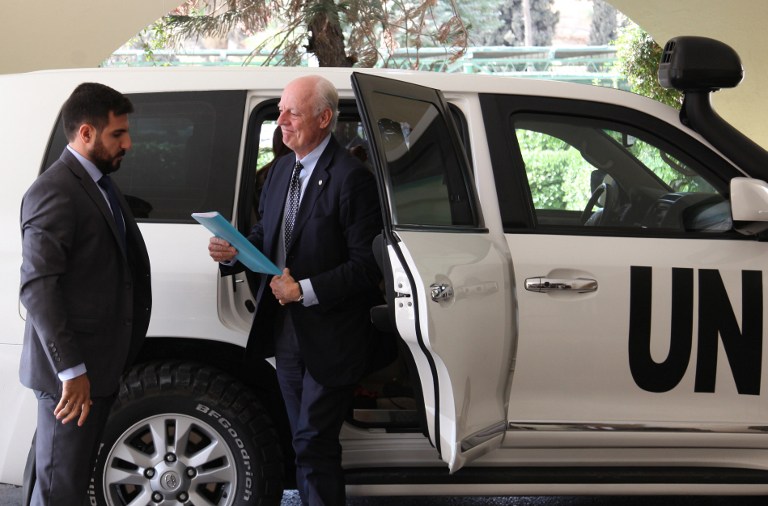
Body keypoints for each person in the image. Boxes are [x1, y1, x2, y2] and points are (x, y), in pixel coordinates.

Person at [209, 75, 386, 505]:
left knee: (312, 442)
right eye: (280, 111)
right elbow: (267, 236)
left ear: (324, 119)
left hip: (334, 335)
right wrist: (233, 251)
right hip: (286, 330)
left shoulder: (352, 178)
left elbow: (367, 267)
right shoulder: (280, 171)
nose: (281, 121)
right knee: (304, 443)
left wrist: (304, 289)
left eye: (293, 113)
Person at [19, 82, 152, 506]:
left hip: (96, 370)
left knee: (61, 483)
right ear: (86, 133)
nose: (128, 144)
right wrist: (71, 371)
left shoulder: (100, 184)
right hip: (71, 379)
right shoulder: (55, 190)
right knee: (60, 491)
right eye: (118, 134)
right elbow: (38, 287)